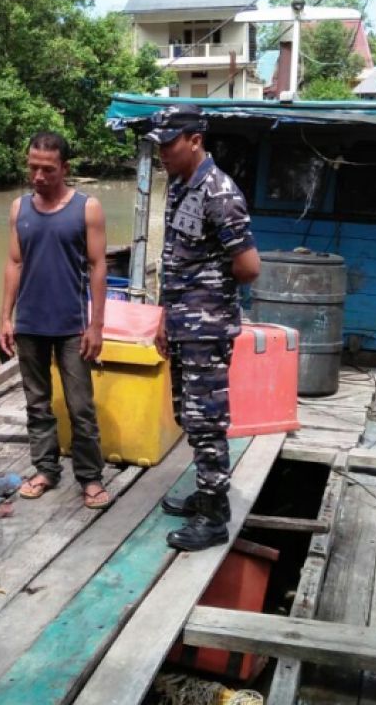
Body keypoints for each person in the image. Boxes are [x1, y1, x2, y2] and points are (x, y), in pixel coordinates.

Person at [149, 104, 261, 552]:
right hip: (181, 324)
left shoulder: (220, 192)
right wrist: (164, 316)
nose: (162, 154)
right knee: (189, 416)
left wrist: (206, 295)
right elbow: (174, 259)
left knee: (206, 419)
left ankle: (214, 513)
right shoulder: (180, 186)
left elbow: (249, 266)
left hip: (206, 328)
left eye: (168, 144)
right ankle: (206, 490)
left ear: (195, 140)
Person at [0, 131, 111, 510]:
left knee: (80, 405)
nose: (39, 176)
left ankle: (91, 477)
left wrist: (96, 325)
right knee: (37, 403)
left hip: (72, 325)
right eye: (33, 168)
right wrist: (5, 317)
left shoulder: (86, 208)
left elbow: (98, 266)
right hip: (30, 323)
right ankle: (45, 469)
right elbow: (14, 262)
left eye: (47, 169)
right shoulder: (19, 209)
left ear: (64, 167)